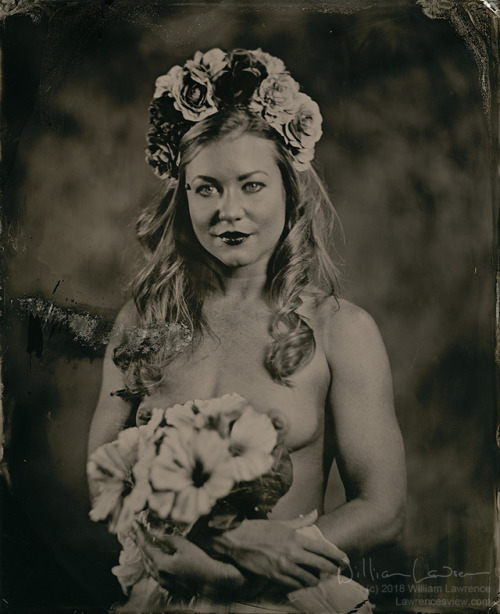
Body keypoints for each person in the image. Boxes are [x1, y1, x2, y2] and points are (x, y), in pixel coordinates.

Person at [87, 48, 406, 611]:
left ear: (289, 189)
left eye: (251, 185)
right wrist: (223, 546)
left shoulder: (342, 331)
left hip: (288, 598)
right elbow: (105, 476)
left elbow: (382, 507)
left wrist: (246, 577)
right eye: (206, 188)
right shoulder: (143, 323)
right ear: (182, 198)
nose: (227, 211)